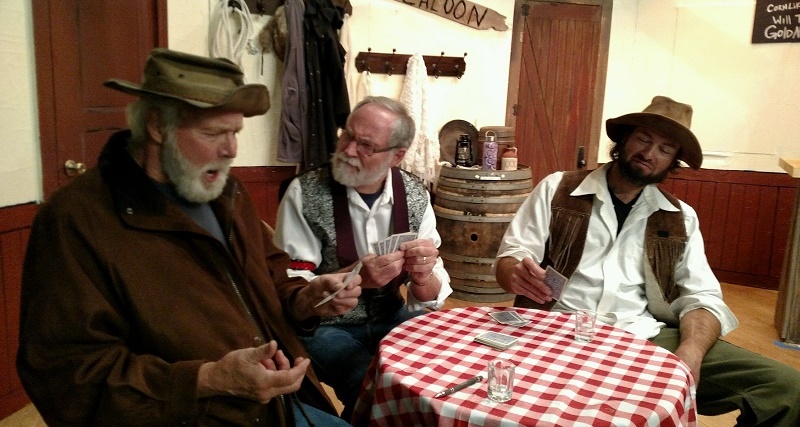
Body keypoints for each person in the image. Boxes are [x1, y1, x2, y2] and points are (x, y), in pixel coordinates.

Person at [16, 48, 361, 426]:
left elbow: (272, 276)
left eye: (235, 132)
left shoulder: (227, 193)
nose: (231, 150)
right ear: (157, 126)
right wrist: (208, 380)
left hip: (277, 406)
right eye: (213, 133)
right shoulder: (76, 219)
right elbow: (67, 375)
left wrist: (305, 299)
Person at [495, 95, 800, 426]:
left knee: (785, 388)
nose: (650, 153)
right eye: (643, 139)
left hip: (643, 334)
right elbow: (512, 256)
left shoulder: (680, 217)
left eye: (665, 149)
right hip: (558, 327)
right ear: (624, 139)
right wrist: (515, 273)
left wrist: (691, 352)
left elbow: (702, 298)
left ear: (673, 162)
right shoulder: (557, 188)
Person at [273, 96, 452, 420]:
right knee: (368, 381)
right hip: (324, 326)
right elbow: (290, 284)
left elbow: (429, 295)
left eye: (366, 145)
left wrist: (423, 276)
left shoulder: (416, 195)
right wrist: (356, 277)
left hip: (389, 314)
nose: (349, 150)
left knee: (438, 370)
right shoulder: (305, 192)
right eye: (347, 135)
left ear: (397, 155)